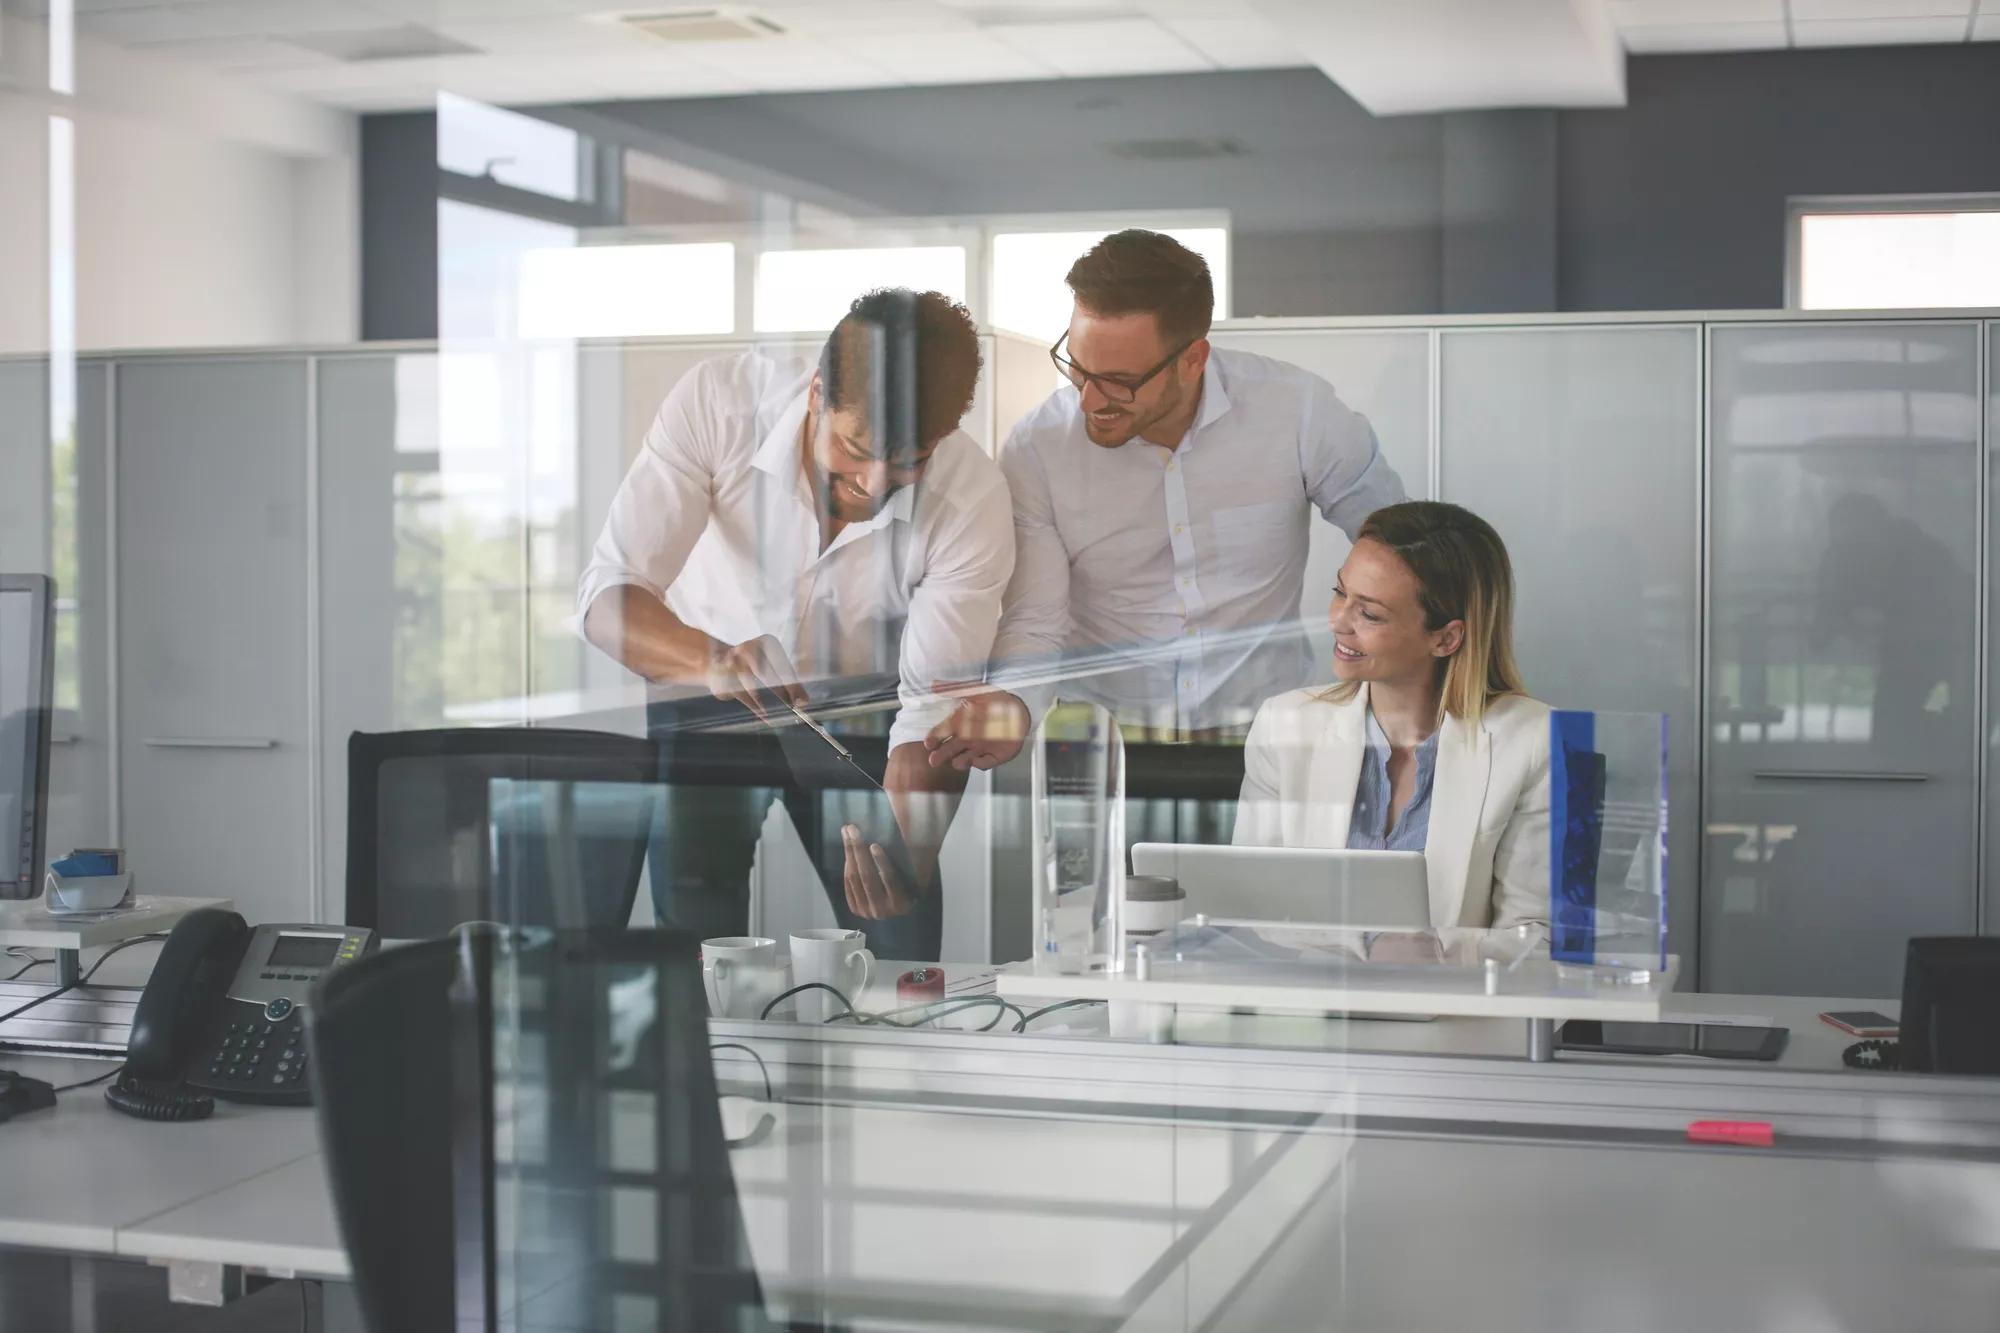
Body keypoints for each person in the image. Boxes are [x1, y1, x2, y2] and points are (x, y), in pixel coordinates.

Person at [577, 289, 1015, 959]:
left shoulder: (971, 499)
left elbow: (933, 708)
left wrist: (915, 851)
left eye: (907, 463)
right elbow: (609, 596)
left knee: (902, 939)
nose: (873, 484)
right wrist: (711, 661)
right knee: (698, 941)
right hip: (704, 691)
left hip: (866, 713)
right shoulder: (719, 406)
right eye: (854, 447)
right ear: (816, 393)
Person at [925, 229, 1406, 776]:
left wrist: (1397, 676)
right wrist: (1012, 702)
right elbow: (1036, 615)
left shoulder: (1298, 413)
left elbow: (1400, 549)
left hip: (1270, 737)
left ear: (1193, 359)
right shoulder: (1039, 449)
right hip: (1100, 744)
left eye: (1118, 381)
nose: (1089, 400)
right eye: (1078, 368)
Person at [1233, 501, 1551, 931]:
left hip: (1455, 998)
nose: (1338, 622)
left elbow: (1534, 936)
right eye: (1339, 593)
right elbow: (1252, 910)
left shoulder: (1534, 741)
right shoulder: (1284, 725)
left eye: (1369, 613)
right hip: (1311, 995)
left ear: (1445, 639)